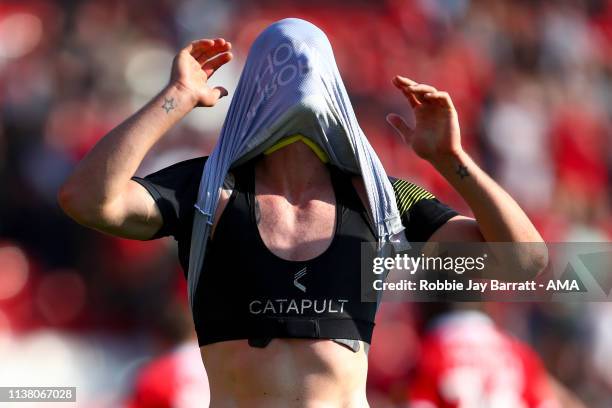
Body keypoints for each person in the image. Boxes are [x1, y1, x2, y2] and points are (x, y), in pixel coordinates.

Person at [58, 18, 546, 408]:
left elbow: (525, 261)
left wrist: (452, 160)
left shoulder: (378, 197)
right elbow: (87, 199)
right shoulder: (207, 189)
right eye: (281, 69)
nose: (298, 80)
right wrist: (176, 99)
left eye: (312, 66)